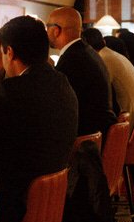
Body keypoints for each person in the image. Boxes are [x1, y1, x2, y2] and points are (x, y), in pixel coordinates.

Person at [0, 16, 78, 222]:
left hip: (12, 220)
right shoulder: (62, 83)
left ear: (9, 52)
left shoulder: (6, 92)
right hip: (53, 214)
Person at [48, 7, 117, 138]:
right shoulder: (88, 52)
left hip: (89, 142)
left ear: (56, 30)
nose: (46, 32)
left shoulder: (71, 61)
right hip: (102, 133)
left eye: (48, 27)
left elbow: (61, 111)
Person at [82, 27, 134, 123]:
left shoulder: (102, 60)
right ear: (104, 42)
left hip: (130, 121)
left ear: (87, 47)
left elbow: (98, 94)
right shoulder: (115, 55)